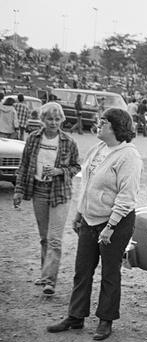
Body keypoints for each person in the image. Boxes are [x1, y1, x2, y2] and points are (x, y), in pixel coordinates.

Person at [46, 108, 142, 341]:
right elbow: (87, 184)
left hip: (115, 223)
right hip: (89, 219)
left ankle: (105, 320)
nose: (98, 125)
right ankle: (75, 316)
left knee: (110, 273)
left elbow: (127, 196)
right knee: (82, 270)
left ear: (117, 127)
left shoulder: (129, 156)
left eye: (104, 122)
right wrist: (79, 213)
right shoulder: (99, 148)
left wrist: (110, 226)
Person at [13, 102, 81, 295]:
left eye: (57, 119)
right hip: (39, 191)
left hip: (60, 193)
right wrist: (18, 191)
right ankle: (45, 274)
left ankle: (50, 281)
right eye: (49, 119)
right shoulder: (33, 138)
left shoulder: (68, 141)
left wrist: (60, 170)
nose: (53, 122)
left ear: (62, 120)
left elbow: (77, 166)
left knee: (54, 239)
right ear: (42, 120)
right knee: (44, 238)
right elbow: (24, 165)